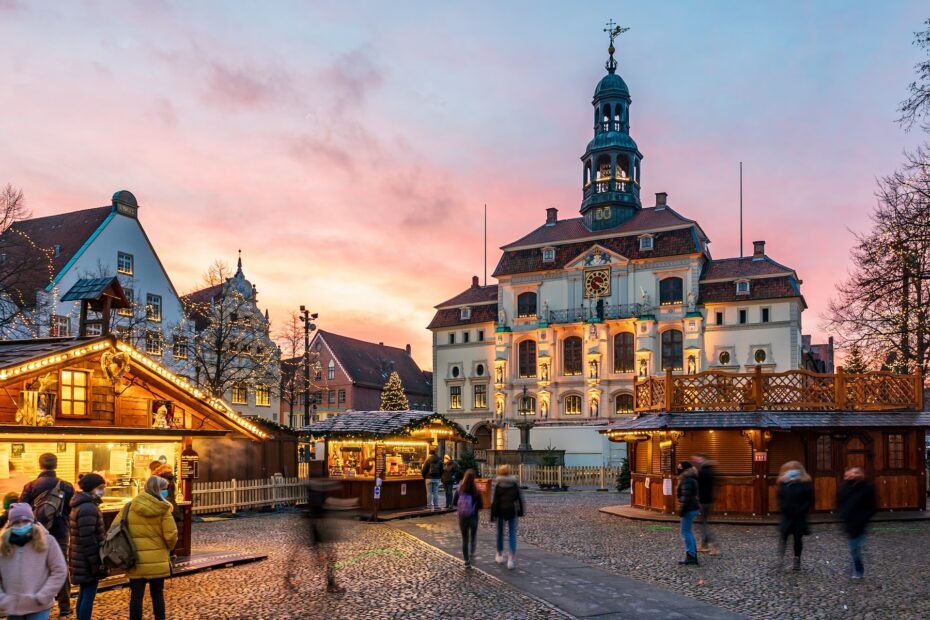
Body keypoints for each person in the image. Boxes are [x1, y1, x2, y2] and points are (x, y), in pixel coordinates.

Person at [112, 476, 178, 620]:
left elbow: (114, 529)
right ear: (158, 490)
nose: (167, 492)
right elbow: (171, 536)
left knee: (136, 596)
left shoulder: (129, 507)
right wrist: (168, 549)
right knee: (157, 595)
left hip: (135, 558)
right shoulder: (164, 509)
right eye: (165, 489)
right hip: (158, 560)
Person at [20, 453, 74, 617]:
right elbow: (71, 509)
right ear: (56, 465)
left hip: (36, 532)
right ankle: (64, 605)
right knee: (61, 566)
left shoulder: (30, 486)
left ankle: (37, 603)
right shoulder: (66, 486)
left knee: (36, 566)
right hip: (60, 532)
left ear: (40, 465)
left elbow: (22, 509)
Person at [0, 503, 68, 620]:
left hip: (39, 605)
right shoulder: (3, 545)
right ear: (10, 524)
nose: (21, 525)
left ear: (32, 522)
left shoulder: (48, 541)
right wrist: (3, 598)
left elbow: (59, 570)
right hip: (13, 607)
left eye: (25, 521)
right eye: (17, 522)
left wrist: (43, 595)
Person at [69, 473, 107, 620]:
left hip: (80, 557)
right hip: (87, 559)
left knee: (84, 592)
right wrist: (96, 562)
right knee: (88, 594)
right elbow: (88, 538)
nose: (103, 490)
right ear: (92, 488)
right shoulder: (88, 508)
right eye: (100, 488)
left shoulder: (81, 505)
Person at [836, 466, 877, 579]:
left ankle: (858, 570)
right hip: (849, 521)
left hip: (860, 522)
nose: (851, 475)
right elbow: (840, 502)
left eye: (855, 473)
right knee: (854, 547)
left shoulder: (867, 487)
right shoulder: (844, 487)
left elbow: (872, 506)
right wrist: (842, 514)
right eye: (850, 473)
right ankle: (856, 567)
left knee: (854, 548)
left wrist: (864, 518)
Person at [776, 460, 815, 571]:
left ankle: (797, 559)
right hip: (787, 515)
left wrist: (801, 510)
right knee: (783, 537)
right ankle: (781, 559)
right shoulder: (784, 483)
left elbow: (809, 499)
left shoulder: (805, 484)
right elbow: (780, 497)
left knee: (798, 538)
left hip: (799, 516)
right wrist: (783, 507)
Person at [490, 464, 524, 570]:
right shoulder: (514, 484)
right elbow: (519, 499)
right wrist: (520, 511)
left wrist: (492, 514)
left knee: (500, 533)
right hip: (511, 511)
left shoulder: (499, 485)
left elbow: (495, 502)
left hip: (500, 511)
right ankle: (511, 558)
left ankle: (499, 554)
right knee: (512, 534)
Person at [452, 469, 483, 567]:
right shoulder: (476, 490)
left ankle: (466, 560)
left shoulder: (460, 488)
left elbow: (454, 502)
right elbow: (481, 505)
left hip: (462, 517)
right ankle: (472, 551)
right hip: (473, 516)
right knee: (473, 536)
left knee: (465, 539)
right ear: (474, 478)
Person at [692, 453, 719, 554]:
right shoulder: (710, 470)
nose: (697, 460)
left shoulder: (703, 471)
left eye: (698, 459)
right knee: (703, 523)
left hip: (703, 501)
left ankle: (714, 546)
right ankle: (704, 545)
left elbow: (698, 485)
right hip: (708, 500)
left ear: (703, 459)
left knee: (703, 524)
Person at [676, 461, 700, 566]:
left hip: (689, 508)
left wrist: (682, 509)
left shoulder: (687, 480)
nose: (678, 469)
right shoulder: (691, 478)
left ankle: (691, 556)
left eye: (679, 467)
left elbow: (686, 496)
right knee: (688, 531)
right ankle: (692, 554)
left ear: (685, 469)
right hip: (692, 507)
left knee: (685, 531)